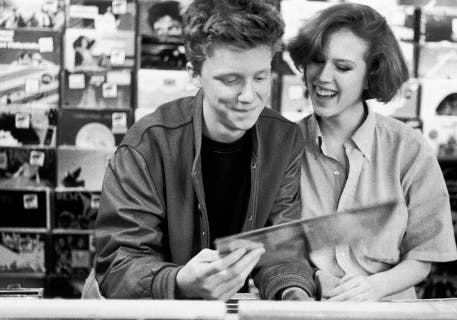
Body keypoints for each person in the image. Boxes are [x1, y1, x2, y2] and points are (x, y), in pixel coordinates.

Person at [92, 0, 316, 300]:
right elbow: (118, 265)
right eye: (230, 80)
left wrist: (292, 291)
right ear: (194, 74)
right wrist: (180, 281)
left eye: (260, 77)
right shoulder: (146, 144)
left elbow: (282, 251)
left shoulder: (284, 139)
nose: (249, 96)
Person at [288, 3, 457, 301]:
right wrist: (311, 278)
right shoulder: (285, 145)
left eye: (343, 67)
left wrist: (375, 287)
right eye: (316, 61)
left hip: (388, 308)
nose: (323, 77)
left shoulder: (409, 148)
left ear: (371, 75)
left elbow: (425, 253)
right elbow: (272, 244)